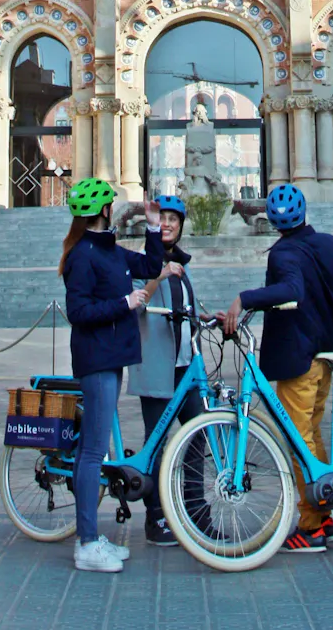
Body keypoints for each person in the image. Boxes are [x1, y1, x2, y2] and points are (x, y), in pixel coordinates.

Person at [219, 183, 333, 554]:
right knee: (309, 434)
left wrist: (245, 298)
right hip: (328, 352)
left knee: (297, 440)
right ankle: (323, 509)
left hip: (302, 357)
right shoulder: (328, 243)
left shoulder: (283, 253)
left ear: (275, 223)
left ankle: (311, 526)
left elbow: (292, 289)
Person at [60, 178, 165, 573]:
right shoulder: (83, 256)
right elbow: (79, 312)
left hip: (111, 357)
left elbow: (151, 266)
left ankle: (91, 537)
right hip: (96, 359)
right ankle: (86, 544)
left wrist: (153, 226)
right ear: (103, 210)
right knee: (92, 452)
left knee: (92, 446)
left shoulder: (109, 250)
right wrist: (125, 302)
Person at [127, 193, 204, 544]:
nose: (169, 224)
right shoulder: (145, 263)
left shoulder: (182, 266)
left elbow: (180, 309)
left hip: (185, 367)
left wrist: (205, 317)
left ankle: (196, 511)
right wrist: (160, 272)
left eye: (175, 219)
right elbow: (137, 304)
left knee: (199, 432)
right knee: (156, 441)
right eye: (164, 218)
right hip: (157, 366)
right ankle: (156, 518)